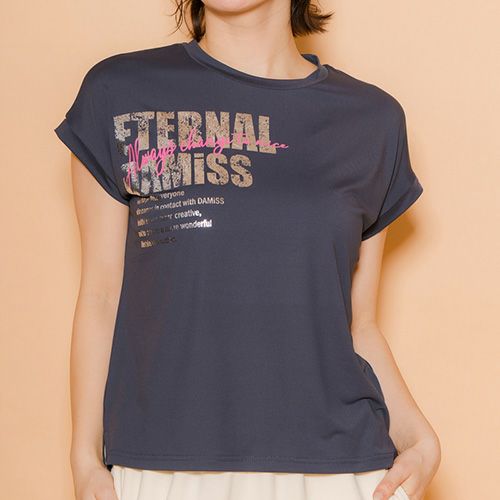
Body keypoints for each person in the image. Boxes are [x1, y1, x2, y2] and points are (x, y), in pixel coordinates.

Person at [54, 1, 441, 499]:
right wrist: (85, 460)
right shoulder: (120, 93)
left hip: (337, 473)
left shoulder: (371, 120)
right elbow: (101, 297)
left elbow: (358, 324)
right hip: (166, 469)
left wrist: (418, 438)